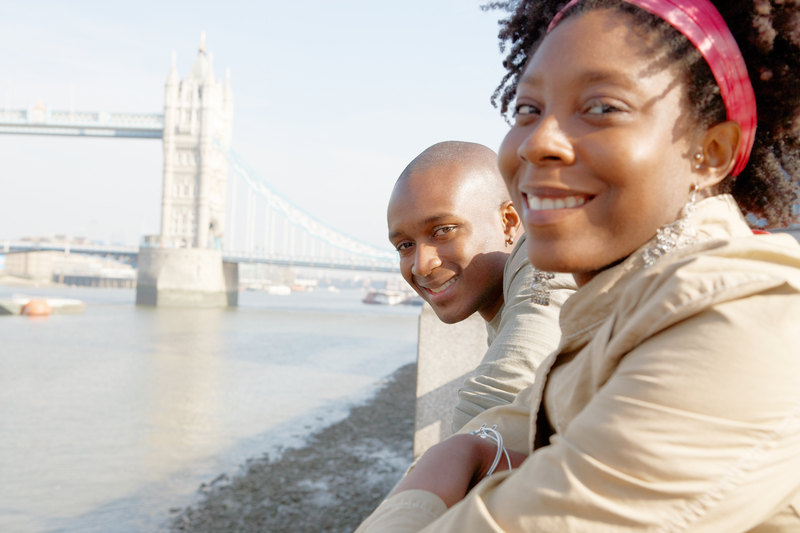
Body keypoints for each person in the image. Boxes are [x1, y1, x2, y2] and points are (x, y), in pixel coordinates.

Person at [357, 0, 800, 531]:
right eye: (528, 110)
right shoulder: (610, 314)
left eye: (602, 107)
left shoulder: (744, 323)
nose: (540, 141)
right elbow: (514, 419)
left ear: (711, 151)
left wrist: (443, 464)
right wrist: (461, 451)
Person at [388, 141, 575, 432]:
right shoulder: (504, 302)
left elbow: (503, 391)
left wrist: (444, 467)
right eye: (405, 245)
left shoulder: (547, 252)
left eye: (443, 231)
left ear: (509, 222)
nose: (421, 265)